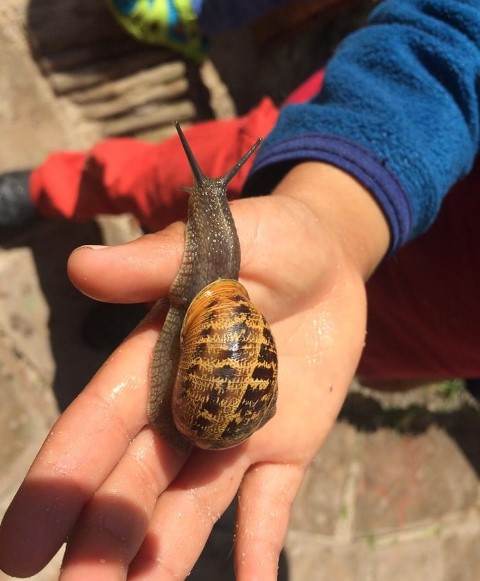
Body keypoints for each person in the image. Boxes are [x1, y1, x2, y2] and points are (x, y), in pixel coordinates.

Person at [0, 0, 479, 579]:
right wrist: (333, 206)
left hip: (386, 337)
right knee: (156, 180)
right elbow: (451, 39)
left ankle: (131, 312)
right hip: (330, 164)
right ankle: (54, 187)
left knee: (175, 289)